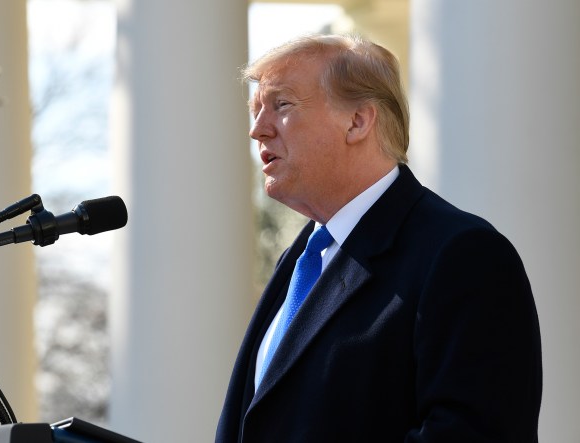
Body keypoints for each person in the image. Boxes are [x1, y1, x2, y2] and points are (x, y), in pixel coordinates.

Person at [216, 34, 542, 442]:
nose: (258, 131)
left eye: (281, 105)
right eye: (255, 110)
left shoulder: (465, 256)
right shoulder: (300, 262)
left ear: (358, 121)